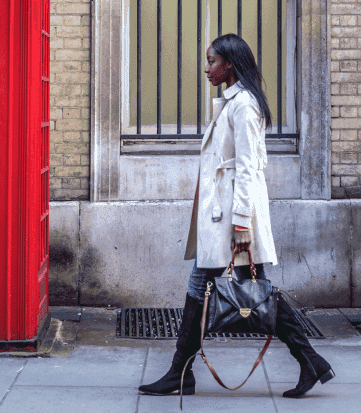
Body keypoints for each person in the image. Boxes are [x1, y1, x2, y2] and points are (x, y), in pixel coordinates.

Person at [138, 34, 334, 399]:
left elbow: (247, 169)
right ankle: (184, 372)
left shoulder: (243, 104)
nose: (206, 68)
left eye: (211, 61)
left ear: (229, 63)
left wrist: (242, 223)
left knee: (251, 292)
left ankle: (181, 373)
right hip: (222, 215)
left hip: (232, 218)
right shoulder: (233, 102)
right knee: (239, 289)